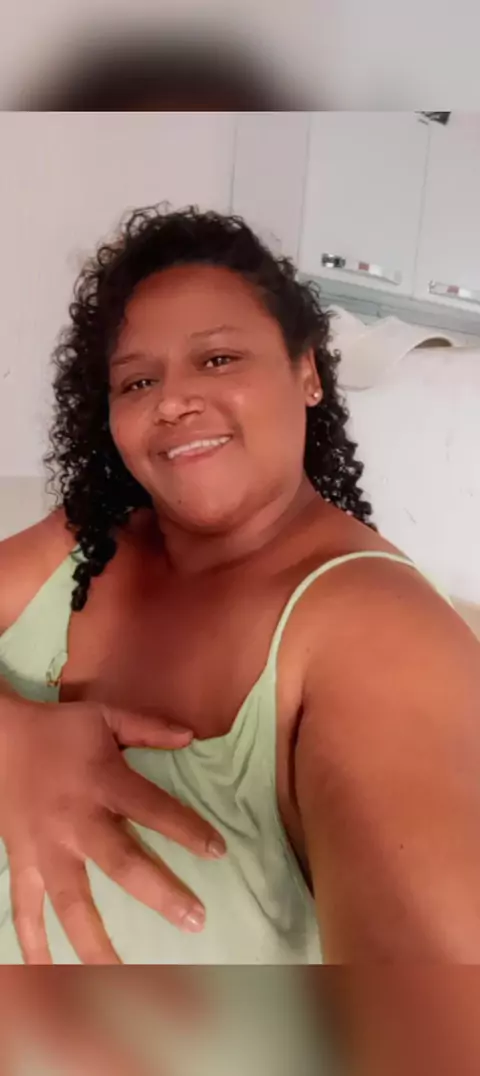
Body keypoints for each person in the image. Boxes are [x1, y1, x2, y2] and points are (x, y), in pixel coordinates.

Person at [1, 206, 480, 974]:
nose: (171, 401)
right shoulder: (86, 542)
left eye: (218, 359)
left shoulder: (378, 632)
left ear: (307, 372)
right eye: (138, 380)